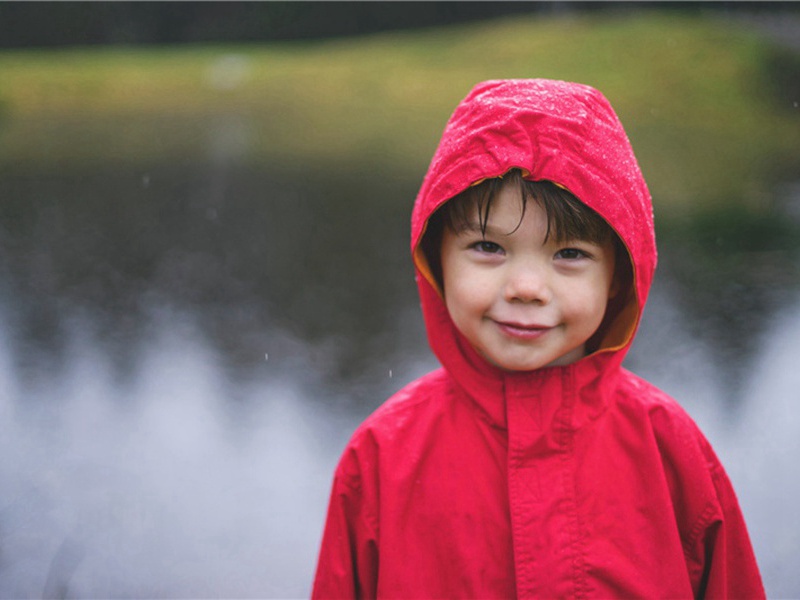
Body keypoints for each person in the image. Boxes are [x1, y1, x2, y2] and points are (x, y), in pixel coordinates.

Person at [312, 79, 765, 599]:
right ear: (436, 258)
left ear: (618, 277)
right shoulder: (381, 459)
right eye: (487, 246)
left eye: (569, 254)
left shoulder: (671, 451)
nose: (526, 288)